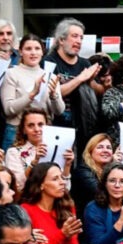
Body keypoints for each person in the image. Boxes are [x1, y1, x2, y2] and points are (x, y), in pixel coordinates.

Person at [44, 18, 102, 154]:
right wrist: (80, 78)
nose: (79, 41)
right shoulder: (49, 61)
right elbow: (51, 93)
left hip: (83, 124)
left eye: (81, 37)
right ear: (61, 40)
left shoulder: (85, 63)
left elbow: (99, 92)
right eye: (74, 36)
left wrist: (93, 81)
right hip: (57, 124)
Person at [0, 33, 65, 150]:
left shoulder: (51, 76)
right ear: (20, 52)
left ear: (42, 52)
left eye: (37, 48)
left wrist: (54, 96)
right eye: (28, 49)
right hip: (16, 130)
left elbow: (59, 111)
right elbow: (8, 109)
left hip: (44, 131)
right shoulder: (12, 73)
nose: (33, 53)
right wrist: (32, 94)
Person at [4, 108, 74, 196]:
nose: (37, 129)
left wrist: (67, 166)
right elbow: (17, 186)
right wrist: (34, 162)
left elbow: (66, 189)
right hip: (28, 199)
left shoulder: (57, 149)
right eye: (31, 125)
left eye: (41, 125)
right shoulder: (13, 152)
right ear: (23, 130)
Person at [70, 133, 117, 214]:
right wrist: (115, 166)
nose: (105, 150)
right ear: (90, 151)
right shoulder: (83, 171)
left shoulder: (109, 170)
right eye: (100, 147)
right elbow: (103, 194)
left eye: (109, 148)